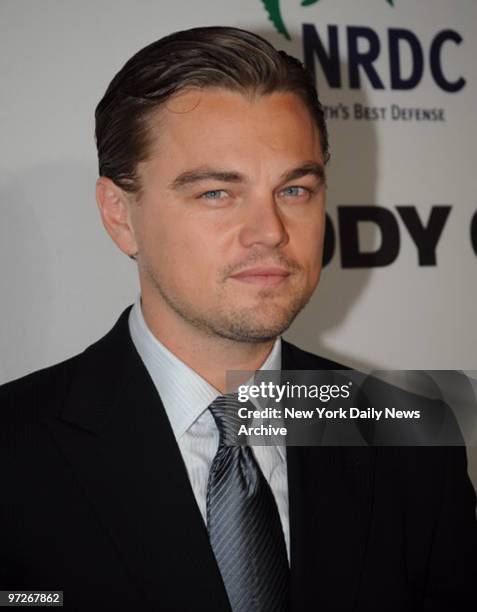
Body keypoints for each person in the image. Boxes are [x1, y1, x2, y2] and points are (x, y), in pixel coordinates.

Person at [0, 26, 476, 612]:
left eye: (295, 190)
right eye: (217, 194)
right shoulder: (14, 451)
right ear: (119, 214)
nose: (271, 232)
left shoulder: (411, 444)